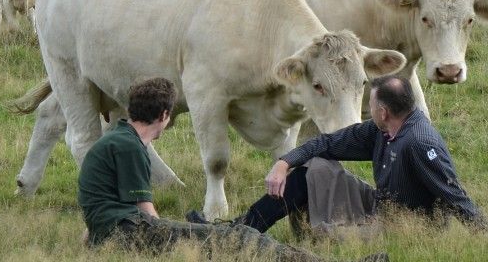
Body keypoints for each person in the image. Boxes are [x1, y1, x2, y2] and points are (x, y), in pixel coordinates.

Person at [78, 77, 386, 262]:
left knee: (219, 234)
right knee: (238, 238)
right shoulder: (130, 146)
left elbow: (97, 204)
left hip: (113, 232)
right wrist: (177, 239)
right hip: (127, 232)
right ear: (165, 115)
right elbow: (147, 216)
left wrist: (94, 238)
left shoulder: (117, 139)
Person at [188, 75, 488, 235]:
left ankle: (249, 240)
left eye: (370, 104)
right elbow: (327, 143)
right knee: (314, 167)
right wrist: (284, 162)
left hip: (402, 228)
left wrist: (486, 237)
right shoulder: (381, 130)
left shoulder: (419, 143)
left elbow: (454, 195)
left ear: (383, 111)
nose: (367, 109)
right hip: (376, 206)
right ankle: (240, 231)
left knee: (332, 237)